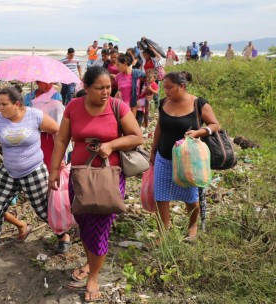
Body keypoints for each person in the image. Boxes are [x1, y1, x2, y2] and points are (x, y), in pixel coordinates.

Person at [49, 66, 143, 302]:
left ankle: (93, 276)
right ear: (86, 87)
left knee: (100, 226)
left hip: (108, 178)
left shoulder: (116, 106)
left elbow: (136, 136)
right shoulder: (73, 107)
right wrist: (53, 170)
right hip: (79, 177)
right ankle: (90, 263)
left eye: (108, 87)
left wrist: (111, 145)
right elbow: (61, 139)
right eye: (100, 88)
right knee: (83, 220)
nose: (105, 92)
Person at [0, 86, 71, 262]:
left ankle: (63, 236)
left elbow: (58, 130)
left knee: (42, 208)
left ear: (17, 104)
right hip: (9, 171)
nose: (0, 108)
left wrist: (59, 158)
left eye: (4, 104)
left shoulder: (35, 115)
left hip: (33, 170)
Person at [149, 72, 220, 241]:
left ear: (182, 86)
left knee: (191, 197)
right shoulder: (164, 103)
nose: (165, 91)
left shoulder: (198, 103)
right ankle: (163, 235)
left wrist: (200, 132)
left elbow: (215, 124)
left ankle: (192, 227)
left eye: (169, 87)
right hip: (164, 157)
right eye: (164, 87)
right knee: (161, 197)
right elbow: (159, 127)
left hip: (189, 160)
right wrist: (152, 151)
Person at [25, 80, 66, 169]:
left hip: (50, 134)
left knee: (50, 162)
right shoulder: (29, 97)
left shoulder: (55, 95)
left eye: (51, 82)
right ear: (38, 82)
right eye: (45, 82)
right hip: (33, 132)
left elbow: (58, 116)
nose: (49, 85)